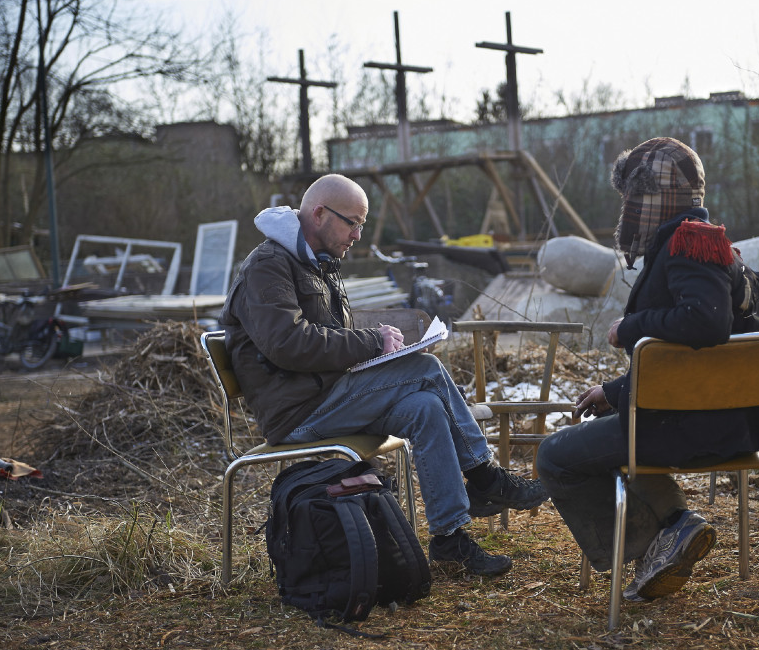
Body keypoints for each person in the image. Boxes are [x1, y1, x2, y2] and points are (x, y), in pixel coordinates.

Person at [218, 174, 548, 577]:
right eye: (352, 222)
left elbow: (325, 339)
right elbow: (288, 344)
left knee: (424, 406)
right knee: (425, 369)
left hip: (328, 396)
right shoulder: (268, 266)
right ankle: (483, 477)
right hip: (299, 413)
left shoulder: (317, 263)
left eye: (362, 224)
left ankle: (449, 540)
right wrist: (371, 344)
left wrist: (374, 354)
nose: (358, 234)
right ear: (319, 213)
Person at [537, 137, 759, 601]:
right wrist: (616, 392)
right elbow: (689, 365)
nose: (628, 207)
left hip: (690, 428)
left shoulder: (687, 244)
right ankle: (677, 525)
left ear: (655, 197)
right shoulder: (710, 246)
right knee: (609, 423)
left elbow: (706, 324)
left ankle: (660, 548)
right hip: (722, 423)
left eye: (633, 196)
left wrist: (631, 326)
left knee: (554, 457)